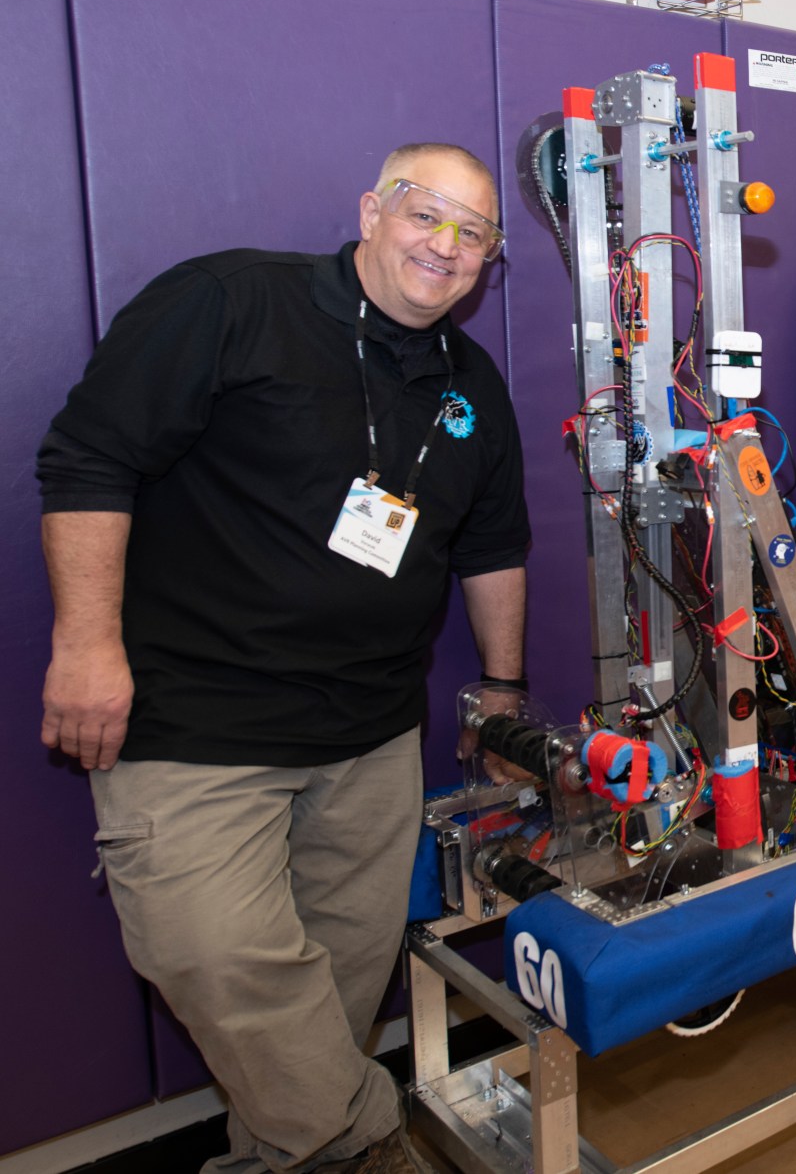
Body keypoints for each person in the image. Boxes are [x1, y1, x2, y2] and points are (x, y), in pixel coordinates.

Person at [37, 144, 531, 1173]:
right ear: (371, 209)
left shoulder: (470, 384)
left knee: (331, 999)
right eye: (423, 213)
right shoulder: (230, 303)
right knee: (219, 960)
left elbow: (490, 546)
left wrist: (502, 691)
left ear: (490, 258)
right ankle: (370, 1143)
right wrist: (83, 646)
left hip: (370, 741)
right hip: (193, 728)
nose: (443, 247)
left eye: (472, 232)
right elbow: (88, 459)